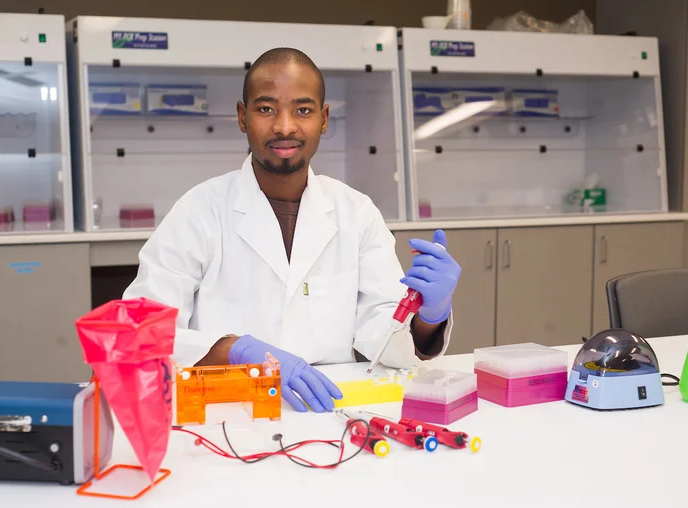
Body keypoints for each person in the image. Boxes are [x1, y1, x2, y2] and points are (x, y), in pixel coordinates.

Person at [123, 47, 461, 414]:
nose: (284, 126)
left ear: (324, 118)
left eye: (302, 110)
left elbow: (384, 332)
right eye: (266, 109)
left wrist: (430, 317)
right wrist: (232, 349)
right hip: (228, 413)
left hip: (331, 410)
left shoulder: (356, 213)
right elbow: (140, 331)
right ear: (242, 116)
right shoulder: (199, 212)